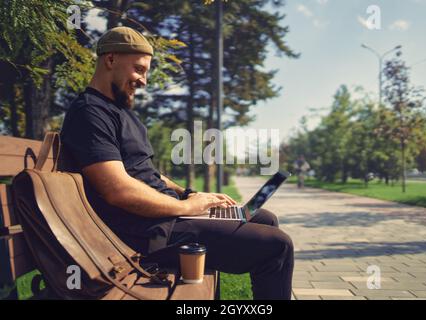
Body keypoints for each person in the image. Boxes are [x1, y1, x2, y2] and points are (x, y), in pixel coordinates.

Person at [60, 27, 293, 300]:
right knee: (278, 246)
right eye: (138, 69)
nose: (144, 80)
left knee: (265, 218)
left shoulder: (123, 114)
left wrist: (191, 195)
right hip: (146, 235)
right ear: (110, 60)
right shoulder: (90, 113)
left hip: (166, 219)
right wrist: (186, 207)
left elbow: (149, 174)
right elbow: (118, 190)